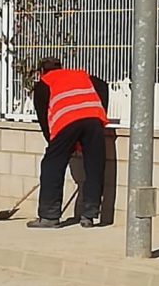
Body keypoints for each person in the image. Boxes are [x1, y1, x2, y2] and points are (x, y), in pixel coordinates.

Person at [27, 57, 110, 229]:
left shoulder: (44, 83)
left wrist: (55, 144)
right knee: (94, 165)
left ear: (42, 72)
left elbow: (44, 120)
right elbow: (102, 85)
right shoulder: (80, 74)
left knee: (52, 164)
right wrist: (100, 109)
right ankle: (89, 215)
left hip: (66, 120)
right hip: (94, 117)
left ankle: (49, 216)